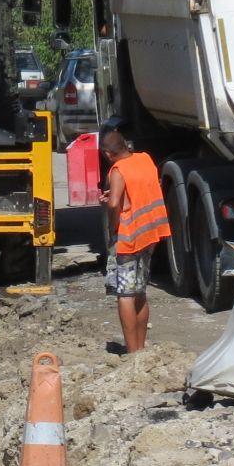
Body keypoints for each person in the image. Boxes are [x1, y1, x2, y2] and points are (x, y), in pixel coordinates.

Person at [99, 119, 169, 353]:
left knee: (126, 293)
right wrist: (115, 196)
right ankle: (140, 348)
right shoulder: (145, 159)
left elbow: (115, 204)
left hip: (129, 237)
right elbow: (138, 189)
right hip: (150, 233)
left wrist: (113, 228)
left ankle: (132, 352)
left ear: (109, 154)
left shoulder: (117, 171)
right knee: (140, 291)